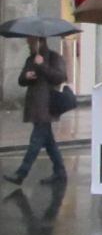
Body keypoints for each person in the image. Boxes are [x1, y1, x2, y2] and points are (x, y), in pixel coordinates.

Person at [4, 37, 68, 189]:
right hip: (34, 105)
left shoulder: (53, 57)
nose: (28, 45)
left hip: (47, 105)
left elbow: (60, 77)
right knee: (49, 142)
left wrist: (42, 65)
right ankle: (60, 172)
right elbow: (21, 80)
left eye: (31, 42)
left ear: (40, 42)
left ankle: (21, 173)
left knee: (36, 141)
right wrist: (26, 77)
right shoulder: (30, 59)